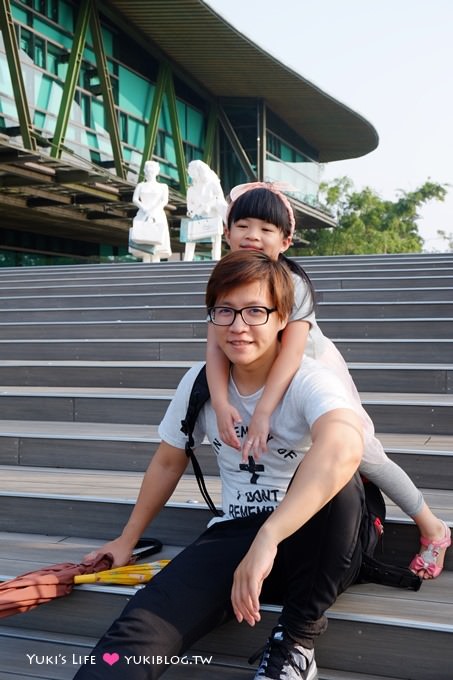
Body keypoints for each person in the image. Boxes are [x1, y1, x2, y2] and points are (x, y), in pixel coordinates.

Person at [74, 250, 366, 680]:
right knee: (133, 637)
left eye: (254, 311)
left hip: (313, 543)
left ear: (283, 317)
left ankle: (296, 640)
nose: (238, 325)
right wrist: (126, 538)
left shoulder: (310, 379)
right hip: (234, 536)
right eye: (225, 311)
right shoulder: (199, 382)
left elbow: (344, 446)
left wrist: (268, 538)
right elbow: (168, 461)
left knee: (343, 483)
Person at [206, 182, 451, 581]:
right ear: (227, 232)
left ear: (285, 240)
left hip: (313, 372)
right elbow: (214, 346)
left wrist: (264, 409)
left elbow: (294, 351)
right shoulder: (225, 280)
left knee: (366, 455)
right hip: (265, 369)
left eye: (267, 229)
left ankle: (432, 526)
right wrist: (219, 401)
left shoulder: (293, 282)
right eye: (244, 225)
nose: (253, 235)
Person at [183, 159, 227, 261]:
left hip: (212, 215)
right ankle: (187, 259)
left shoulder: (213, 184)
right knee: (191, 237)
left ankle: (216, 258)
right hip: (197, 216)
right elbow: (190, 203)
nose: (193, 176)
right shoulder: (191, 189)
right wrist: (191, 210)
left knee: (216, 239)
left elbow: (220, 199)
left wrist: (209, 205)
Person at [130, 160, 172, 262]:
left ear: (157, 172)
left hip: (157, 215)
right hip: (143, 214)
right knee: (144, 241)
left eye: (152, 170)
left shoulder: (163, 186)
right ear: (145, 171)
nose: (150, 173)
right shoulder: (140, 185)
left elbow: (164, 200)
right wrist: (144, 209)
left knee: (157, 242)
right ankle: (145, 263)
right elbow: (135, 199)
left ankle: (156, 264)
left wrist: (153, 211)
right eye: (148, 170)